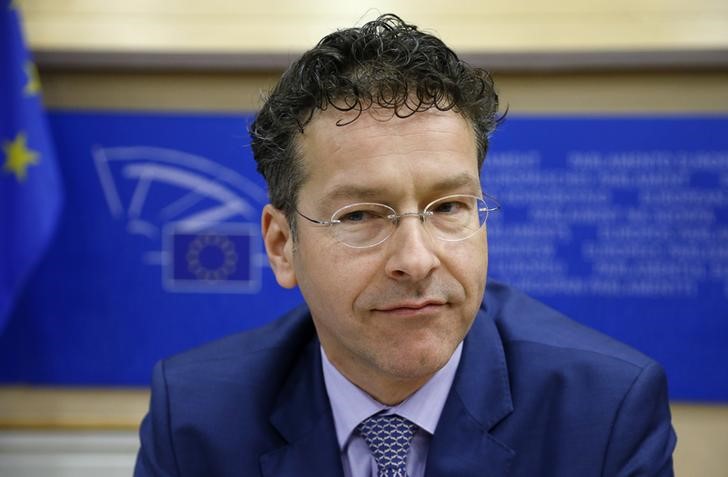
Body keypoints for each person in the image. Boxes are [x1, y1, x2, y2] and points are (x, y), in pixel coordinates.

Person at [134, 14, 676, 477]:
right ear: (281, 245)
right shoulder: (196, 418)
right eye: (362, 215)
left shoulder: (606, 410)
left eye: (448, 207)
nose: (417, 260)